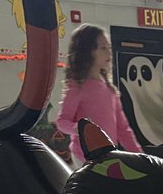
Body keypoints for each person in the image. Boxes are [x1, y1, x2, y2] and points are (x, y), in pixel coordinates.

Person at [56, 25, 142, 166]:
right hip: (85, 156)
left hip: (107, 157)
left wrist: (140, 156)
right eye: (103, 48)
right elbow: (62, 122)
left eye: (108, 47)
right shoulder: (78, 86)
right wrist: (79, 129)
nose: (109, 52)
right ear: (88, 52)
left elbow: (123, 130)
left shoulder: (110, 90)